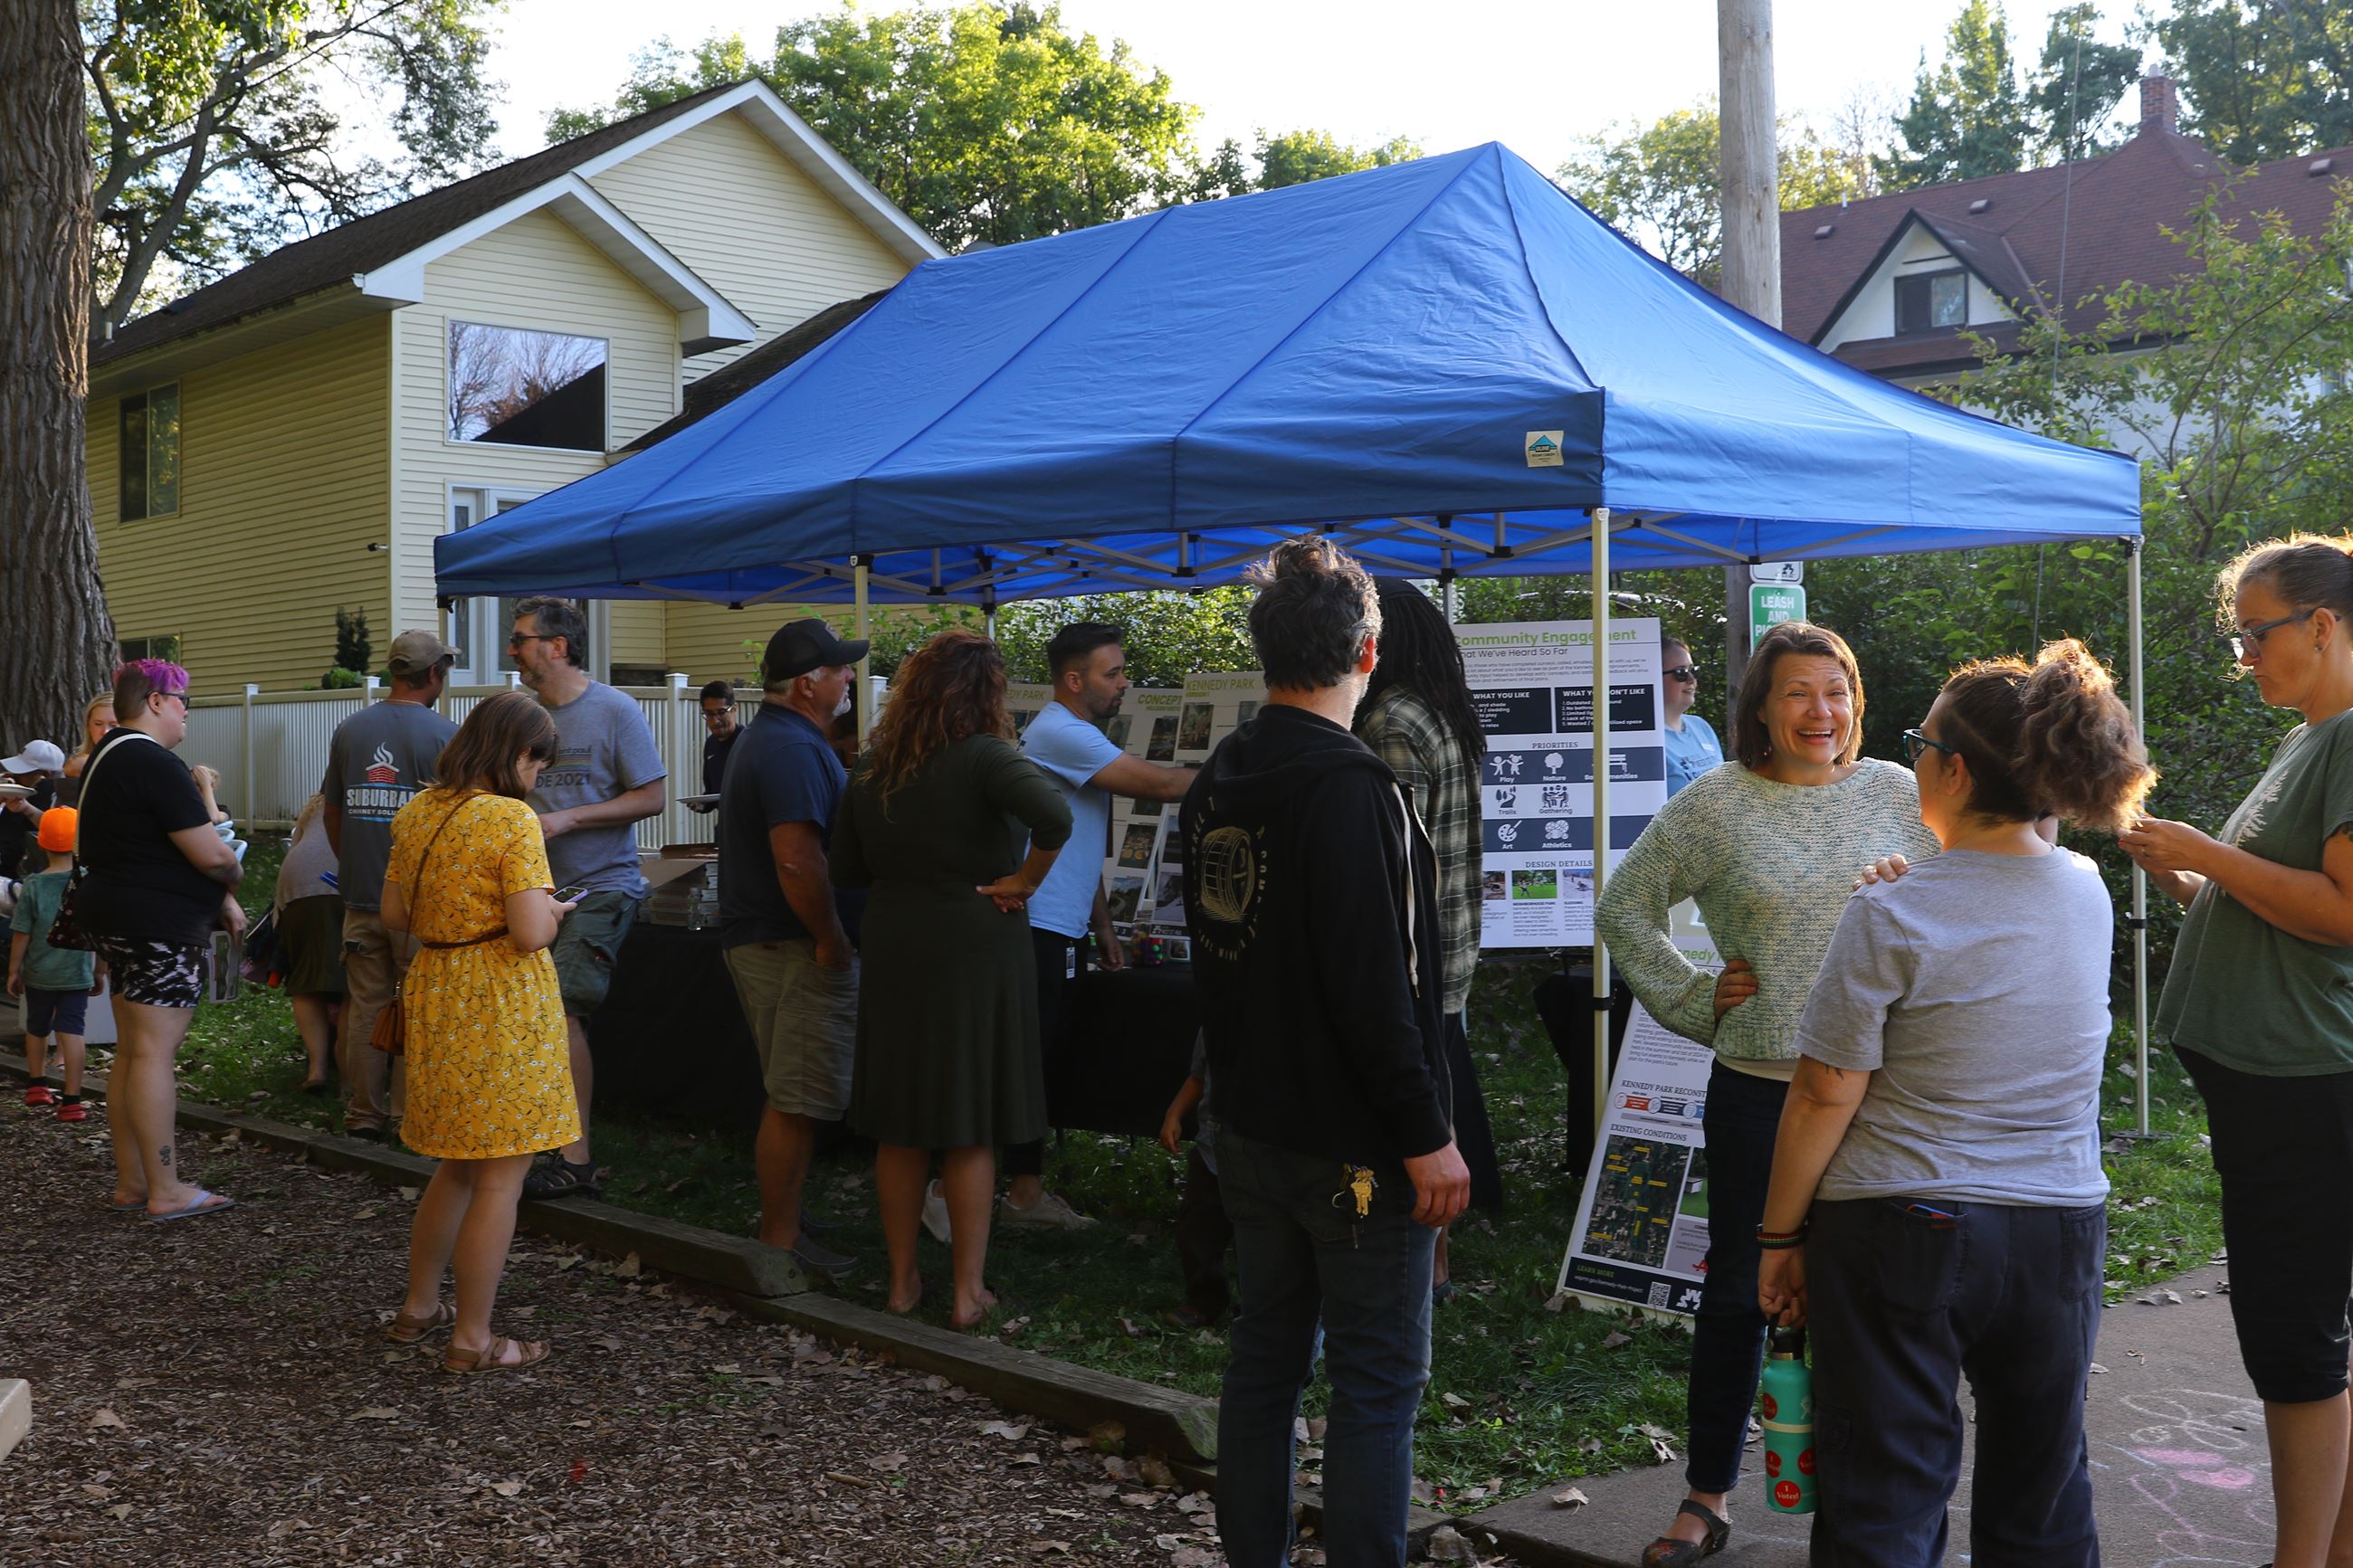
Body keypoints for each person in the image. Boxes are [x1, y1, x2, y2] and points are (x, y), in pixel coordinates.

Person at [1756, 640, 2150, 1566]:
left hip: (1899, 1223)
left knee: (1884, 1495)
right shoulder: (2086, 891)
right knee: (2042, 1490)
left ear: (1953, 768)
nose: (1911, 759)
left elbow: (1821, 1089)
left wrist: (1777, 1238)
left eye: (1916, 741)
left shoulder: (1889, 910)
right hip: (2054, 1226)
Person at [1594, 621, 1939, 1568]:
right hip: (1759, 1093)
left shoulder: (1903, 795)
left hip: (1884, 1096)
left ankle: (1866, 1507)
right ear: (1757, 707)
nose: (1818, 711)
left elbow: (1972, 891)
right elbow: (1621, 907)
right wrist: (1693, 998)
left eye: (1834, 690)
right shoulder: (1714, 804)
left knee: (1874, 1301)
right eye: (1795, 692)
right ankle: (1706, 1496)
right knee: (1743, 1299)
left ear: (1856, 701)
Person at [1182, 538, 1470, 1568]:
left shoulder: (1219, 773)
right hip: (1349, 1144)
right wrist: (1426, 1135)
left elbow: (1218, 955)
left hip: (1249, 1122)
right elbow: (1376, 989)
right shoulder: (1355, 789)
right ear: (1368, 646)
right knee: (1375, 1381)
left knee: (1263, 1360)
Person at [2120, 533, 2353, 1568]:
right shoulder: (2309, 735)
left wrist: (2203, 852)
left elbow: (2344, 913)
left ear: (2320, 623)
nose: (2242, 657)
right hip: (2279, 1082)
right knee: (2307, 1326)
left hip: (2301, 1083)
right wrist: (2181, 872)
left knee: (2292, 1331)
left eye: (2252, 635)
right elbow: (2270, 902)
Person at [831, 629, 1072, 1328]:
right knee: (969, 1126)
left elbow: (846, 871)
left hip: (898, 942)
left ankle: (903, 1283)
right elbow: (1054, 815)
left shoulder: (873, 766)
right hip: (975, 943)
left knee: (901, 1125)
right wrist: (1023, 880)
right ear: (988, 692)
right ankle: (967, 1294)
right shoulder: (988, 757)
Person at [961, 622, 1193, 1241]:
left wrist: (1103, 924)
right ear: (1073, 679)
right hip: (1035, 927)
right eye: (1112, 673)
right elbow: (1163, 784)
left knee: (1044, 1058)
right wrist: (1258, 773)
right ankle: (998, 1191)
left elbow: (1065, 832)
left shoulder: (1073, 734)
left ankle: (1013, 1188)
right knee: (1031, 1062)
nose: (1124, 683)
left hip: (1059, 925)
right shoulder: (1062, 733)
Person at [379, 689, 579, 1373]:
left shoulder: (418, 810)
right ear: (518, 753)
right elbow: (528, 932)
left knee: (457, 1165)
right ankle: (473, 1337)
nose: (538, 776)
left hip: (439, 989)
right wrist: (555, 912)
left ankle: (418, 1306)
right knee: (500, 1177)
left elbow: (393, 912)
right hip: (499, 1002)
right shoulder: (512, 819)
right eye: (538, 763)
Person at [1355, 579, 1500, 1304]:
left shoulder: (1389, 721)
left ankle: (1425, 1266)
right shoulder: (1442, 711)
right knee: (1436, 1097)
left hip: (1416, 951)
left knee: (1417, 1111)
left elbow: (1391, 857)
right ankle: (1435, 1260)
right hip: (1452, 941)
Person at [717, 619, 870, 1279]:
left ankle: (787, 1222)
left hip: (776, 940)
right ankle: (779, 1245)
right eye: (840, 669)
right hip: (793, 945)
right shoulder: (790, 749)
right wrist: (832, 940)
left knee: (796, 1091)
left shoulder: (781, 738)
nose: (851, 679)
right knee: (798, 1097)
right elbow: (799, 859)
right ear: (809, 683)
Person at [75, 659, 246, 1221]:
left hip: (115, 918)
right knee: (153, 1052)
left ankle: (133, 1181)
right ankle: (167, 1188)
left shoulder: (107, 757)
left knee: (131, 1051)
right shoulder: (154, 762)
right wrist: (232, 875)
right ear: (154, 701)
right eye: (181, 701)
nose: (185, 712)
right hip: (157, 926)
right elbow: (211, 853)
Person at [508, 596, 667, 1199]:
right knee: (532, 1010)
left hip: (602, 885)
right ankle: (531, 1136)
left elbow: (650, 796)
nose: (512, 649)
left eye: (521, 638)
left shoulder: (615, 709)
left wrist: (570, 819)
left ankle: (574, 1160)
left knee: (561, 1005)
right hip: (534, 890)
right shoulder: (523, 716)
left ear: (558, 646)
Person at [321, 630, 459, 1142]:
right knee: (416, 1004)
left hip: (361, 894)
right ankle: (407, 1116)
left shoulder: (350, 730)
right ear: (434, 675)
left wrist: (356, 863)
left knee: (365, 1005)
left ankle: (363, 1113)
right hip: (419, 902)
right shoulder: (446, 737)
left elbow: (333, 813)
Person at [9, 807, 98, 1121]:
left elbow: (22, 933)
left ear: (41, 844)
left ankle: (36, 1086)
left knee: (37, 1026)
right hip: (76, 972)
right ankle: (72, 1100)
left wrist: (13, 970)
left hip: (38, 972)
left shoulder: (33, 884)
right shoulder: (88, 882)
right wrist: (100, 970)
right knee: (72, 1030)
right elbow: (97, 931)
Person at [272, 794, 347, 1092]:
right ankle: (350, 1077)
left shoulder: (316, 805)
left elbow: (298, 841)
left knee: (305, 982)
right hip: (342, 883)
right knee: (355, 985)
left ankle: (316, 1071)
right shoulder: (372, 796)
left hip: (295, 886)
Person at [1157, 1032, 1230, 1327]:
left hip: (1264, 1159)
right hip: (1212, 1150)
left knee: (1265, 1245)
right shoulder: (1215, 1022)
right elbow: (1198, 1077)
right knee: (1197, 1231)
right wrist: (1173, 1114)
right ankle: (1204, 1301)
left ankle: (1259, 1311)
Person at [1661, 638, 1724, 796]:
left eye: (1692, 670)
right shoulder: (1644, 742)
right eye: (1680, 673)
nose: (1691, 680)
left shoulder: (1701, 726)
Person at [1, 738, 64, 881]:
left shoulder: (50, 793)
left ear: (46, 774)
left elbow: (54, 829)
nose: (16, 775)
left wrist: (26, 808)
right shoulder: (22, 787)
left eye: (23, 772)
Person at [54, 694, 117, 807]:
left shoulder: (138, 763)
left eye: (113, 725)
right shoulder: (78, 764)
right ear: (89, 725)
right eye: (98, 724)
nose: (105, 731)